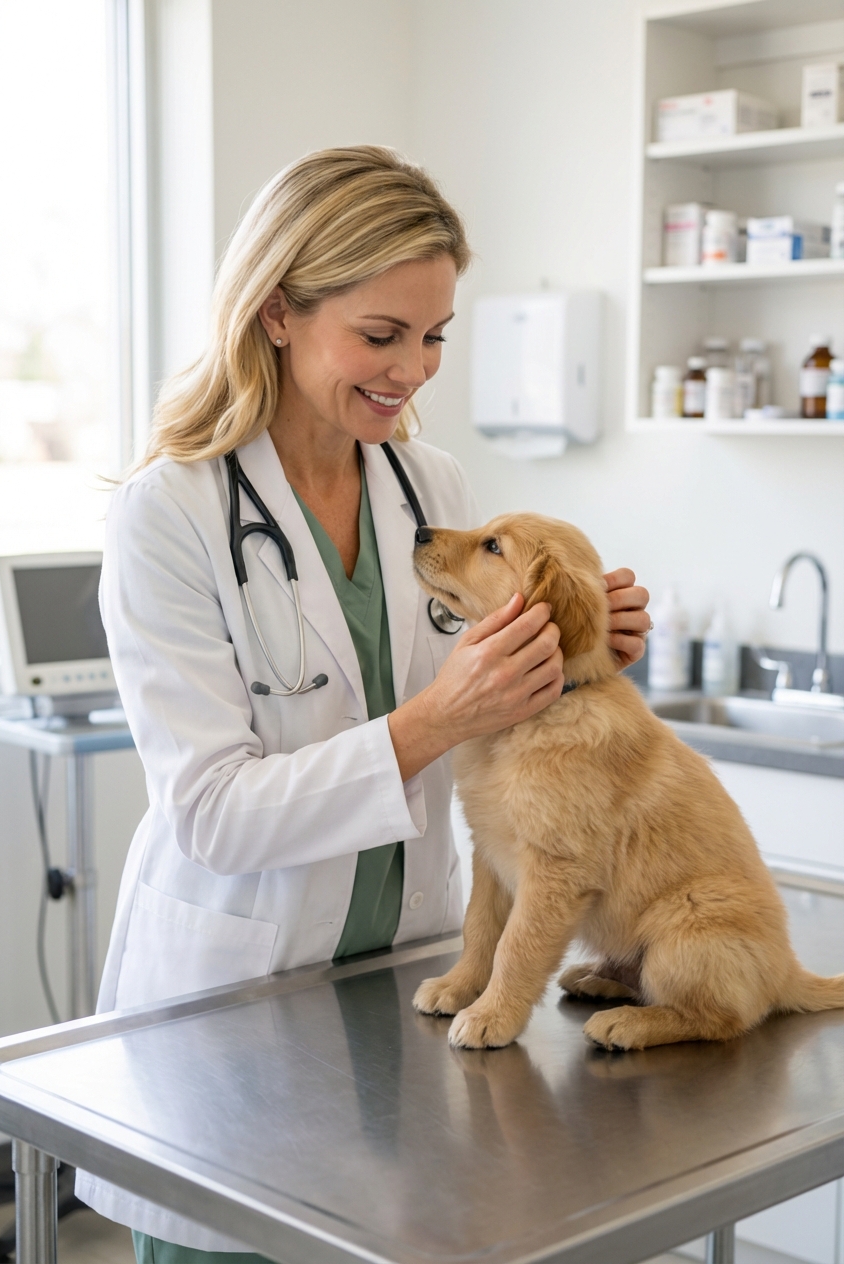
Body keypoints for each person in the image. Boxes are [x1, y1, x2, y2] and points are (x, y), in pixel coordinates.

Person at [75, 147, 650, 1262]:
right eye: (381, 336)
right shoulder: (169, 515)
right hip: (241, 1010)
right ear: (278, 312)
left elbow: (511, 732)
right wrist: (438, 715)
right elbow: (213, 814)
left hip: (410, 987)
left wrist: (578, 657)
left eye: (433, 336)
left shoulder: (426, 486)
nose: (414, 371)